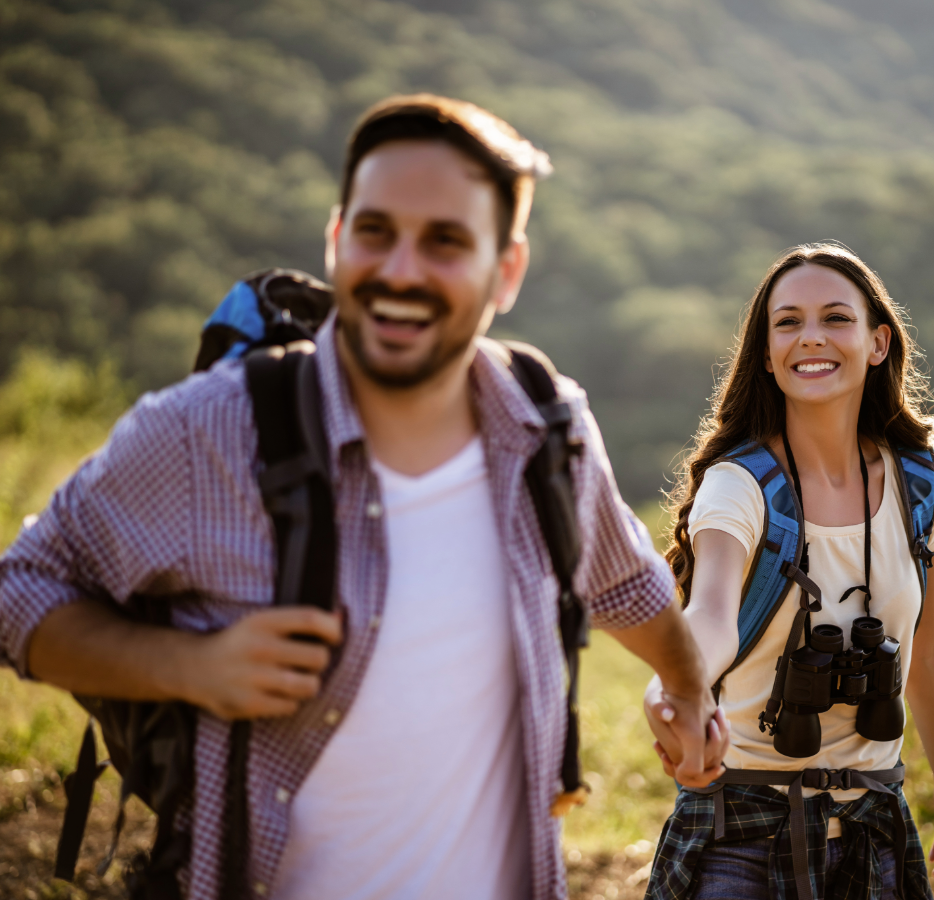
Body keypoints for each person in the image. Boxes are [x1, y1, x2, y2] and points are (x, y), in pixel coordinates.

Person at [0, 94, 728, 900]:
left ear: (507, 269)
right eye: (377, 232)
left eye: (446, 242)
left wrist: (690, 691)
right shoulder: (209, 432)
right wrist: (190, 666)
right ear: (337, 238)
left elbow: (625, 583)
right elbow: (20, 593)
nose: (401, 270)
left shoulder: (546, 427)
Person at [642, 244, 934, 899]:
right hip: (741, 824)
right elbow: (708, 612)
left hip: (875, 819)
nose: (811, 338)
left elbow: (929, 650)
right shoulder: (738, 487)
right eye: (788, 322)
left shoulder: (923, 479)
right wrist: (675, 686)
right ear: (766, 354)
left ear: (878, 343)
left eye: (835, 318)